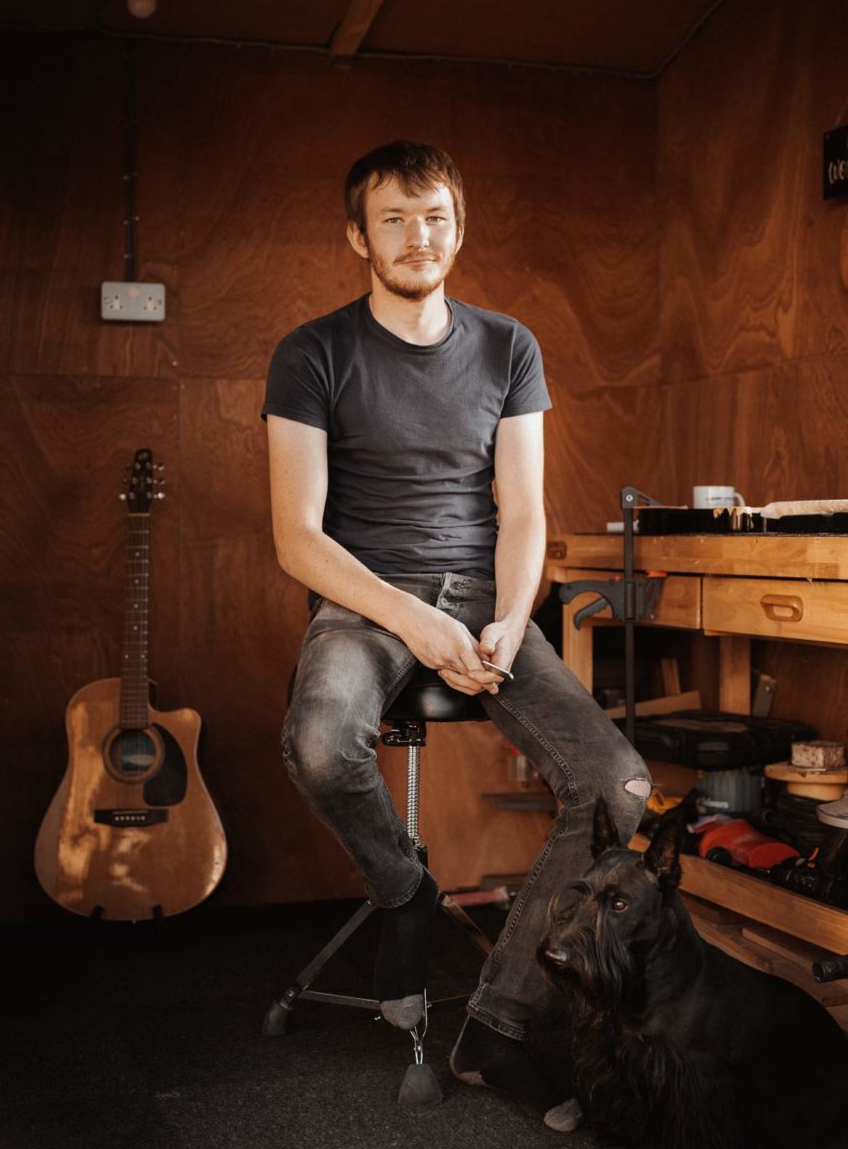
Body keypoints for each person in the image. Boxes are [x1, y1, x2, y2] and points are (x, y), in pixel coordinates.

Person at [262, 140, 651, 1129]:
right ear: (358, 235)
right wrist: (416, 618)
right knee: (317, 740)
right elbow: (297, 538)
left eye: (432, 214)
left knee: (621, 785)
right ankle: (404, 883)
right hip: (364, 597)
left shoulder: (508, 344)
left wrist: (511, 619)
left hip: (487, 594)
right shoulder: (312, 350)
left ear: (458, 226)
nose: (415, 234)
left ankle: (502, 1019)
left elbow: (522, 510)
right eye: (392, 217)